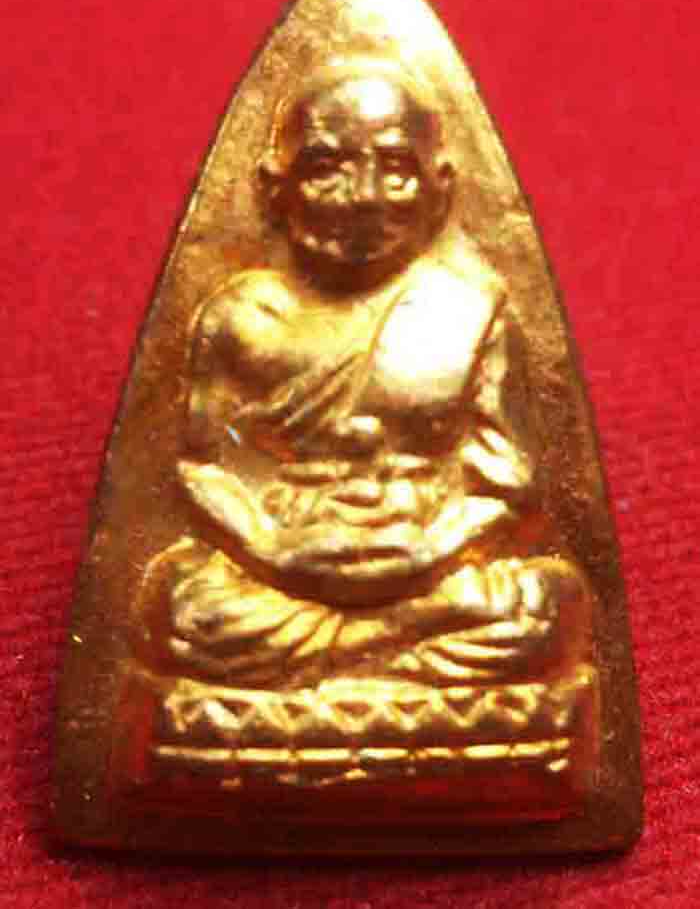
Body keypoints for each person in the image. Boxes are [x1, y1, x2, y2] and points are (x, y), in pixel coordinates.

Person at [136, 57, 590, 694]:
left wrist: (431, 551)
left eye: (397, 169)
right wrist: (270, 547)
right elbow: (199, 467)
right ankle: (388, 663)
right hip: (282, 565)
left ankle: (330, 669)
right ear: (274, 189)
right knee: (180, 607)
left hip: (430, 566)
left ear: (441, 188)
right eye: (327, 168)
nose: (365, 196)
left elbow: (509, 486)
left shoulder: (470, 313)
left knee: (545, 604)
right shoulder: (238, 317)